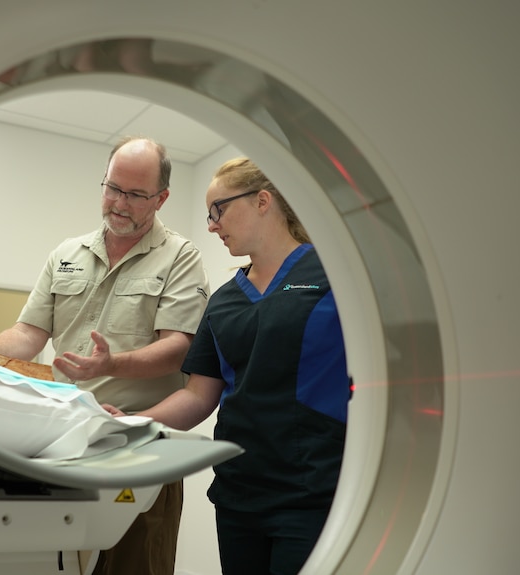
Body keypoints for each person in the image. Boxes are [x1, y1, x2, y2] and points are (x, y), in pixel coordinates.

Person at [0, 136, 210, 575]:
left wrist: (113, 364)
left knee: (135, 565)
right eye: (112, 188)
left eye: (135, 194)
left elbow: (179, 348)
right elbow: (29, 333)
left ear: (161, 198)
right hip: (65, 443)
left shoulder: (180, 257)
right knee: (58, 563)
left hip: (138, 445)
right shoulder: (67, 254)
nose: (119, 203)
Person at [105, 157, 350, 575]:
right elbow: (199, 396)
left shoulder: (337, 277)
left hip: (315, 492)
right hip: (239, 496)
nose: (212, 225)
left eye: (219, 209)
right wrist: (134, 423)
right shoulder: (223, 301)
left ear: (263, 201)